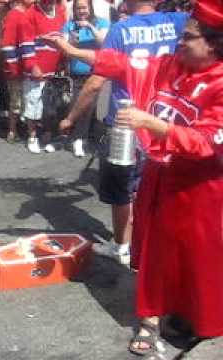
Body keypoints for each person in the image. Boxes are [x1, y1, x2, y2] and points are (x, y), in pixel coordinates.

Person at [44, 0, 223, 357]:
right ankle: (150, 320)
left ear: (214, 45)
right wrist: (72, 49)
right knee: (156, 253)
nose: (178, 43)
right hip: (160, 179)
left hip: (200, 191)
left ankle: (195, 315)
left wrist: (151, 124)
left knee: (197, 258)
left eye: (188, 38)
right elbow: (125, 63)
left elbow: (206, 142)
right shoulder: (172, 64)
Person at [59, 0, 188, 265]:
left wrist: (70, 118)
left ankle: (121, 246)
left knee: (120, 190)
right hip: (162, 118)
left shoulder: (121, 30)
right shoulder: (179, 22)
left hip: (126, 122)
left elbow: (96, 81)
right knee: (150, 187)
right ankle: (147, 243)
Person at [61, 0, 109, 157]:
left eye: (84, 8)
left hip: (95, 72)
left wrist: (90, 27)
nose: (81, 11)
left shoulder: (102, 23)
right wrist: (72, 41)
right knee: (76, 104)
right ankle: (78, 137)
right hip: (75, 72)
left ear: (90, 8)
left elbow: (104, 42)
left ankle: (79, 139)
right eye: (78, 8)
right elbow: (66, 50)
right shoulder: (69, 25)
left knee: (88, 107)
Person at [19, 0, 66, 154]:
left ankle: (47, 136)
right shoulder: (30, 14)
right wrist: (32, 66)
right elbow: (25, 44)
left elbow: (62, 41)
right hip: (36, 72)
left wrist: (63, 62)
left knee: (50, 107)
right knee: (33, 105)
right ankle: (31, 137)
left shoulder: (60, 13)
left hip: (53, 71)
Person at [0, 0, 34, 143]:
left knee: (27, 99)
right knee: (16, 101)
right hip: (17, 67)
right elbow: (7, 44)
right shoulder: (13, 15)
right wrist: (13, 68)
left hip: (27, 66)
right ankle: (12, 131)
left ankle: (26, 129)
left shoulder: (29, 13)